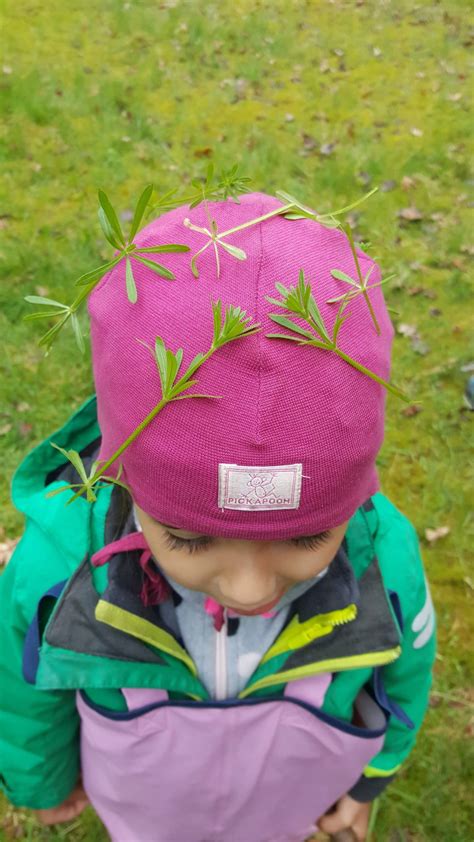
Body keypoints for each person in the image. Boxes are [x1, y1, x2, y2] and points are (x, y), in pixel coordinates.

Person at [0, 187, 436, 842]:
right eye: (190, 539)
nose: (250, 588)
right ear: (122, 477)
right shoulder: (58, 571)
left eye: (309, 534)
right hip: (148, 813)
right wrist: (42, 779)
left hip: (290, 808)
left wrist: (370, 779)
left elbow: (406, 672)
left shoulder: (387, 559)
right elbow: (24, 685)